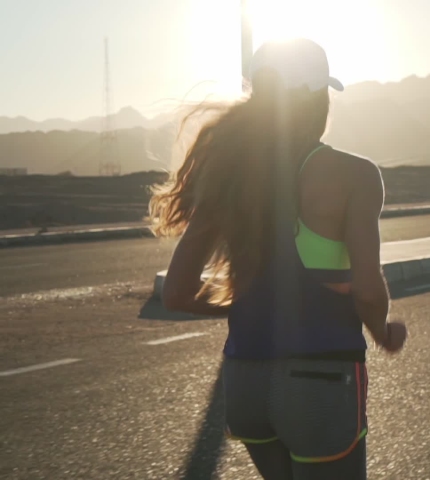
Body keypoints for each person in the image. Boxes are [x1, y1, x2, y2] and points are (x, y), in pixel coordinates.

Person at [149, 37, 407, 479]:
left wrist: (243, 303)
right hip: (320, 383)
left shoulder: (229, 175)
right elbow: (367, 288)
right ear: (316, 99)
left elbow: (175, 294)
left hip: (245, 380)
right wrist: (383, 332)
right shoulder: (354, 175)